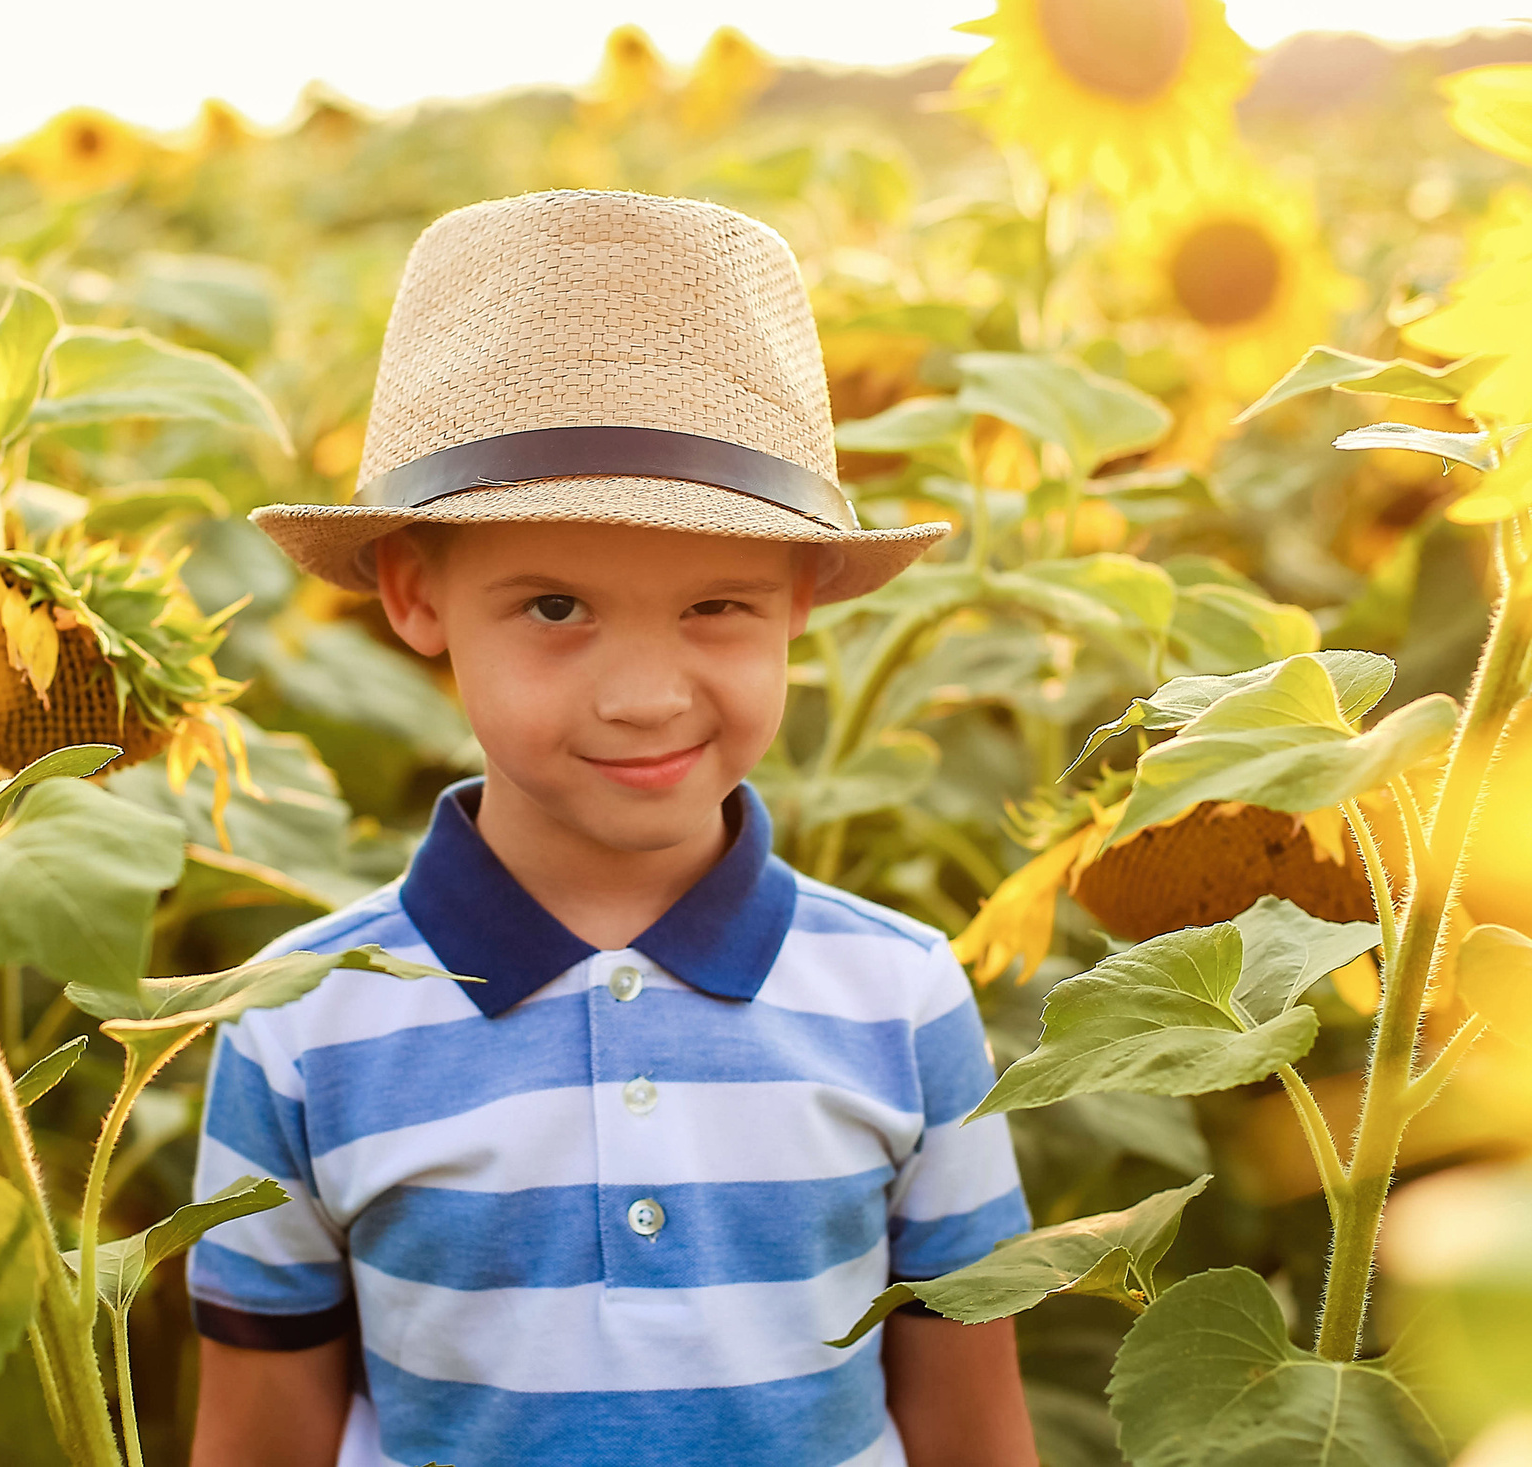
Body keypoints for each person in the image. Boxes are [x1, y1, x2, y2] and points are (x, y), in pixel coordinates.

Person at [187, 190, 1039, 1467]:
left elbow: (974, 1426)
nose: (646, 697)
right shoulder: (302, 1022)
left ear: (801, 599)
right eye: (552, 609)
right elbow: (260, 1438)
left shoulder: (901, 998)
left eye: (715, 606)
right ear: (418, 598)